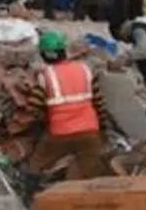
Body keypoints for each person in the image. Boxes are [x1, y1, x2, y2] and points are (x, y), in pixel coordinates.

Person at [26, 31, 109, 178]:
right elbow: (100, 104)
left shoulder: (45, 76)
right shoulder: (85, 70)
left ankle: (30, 194)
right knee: (92, 172)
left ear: (45, 55)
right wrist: (103, 130)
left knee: (36, 166)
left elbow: (33, 109)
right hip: (89, 133)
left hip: (59, 134)